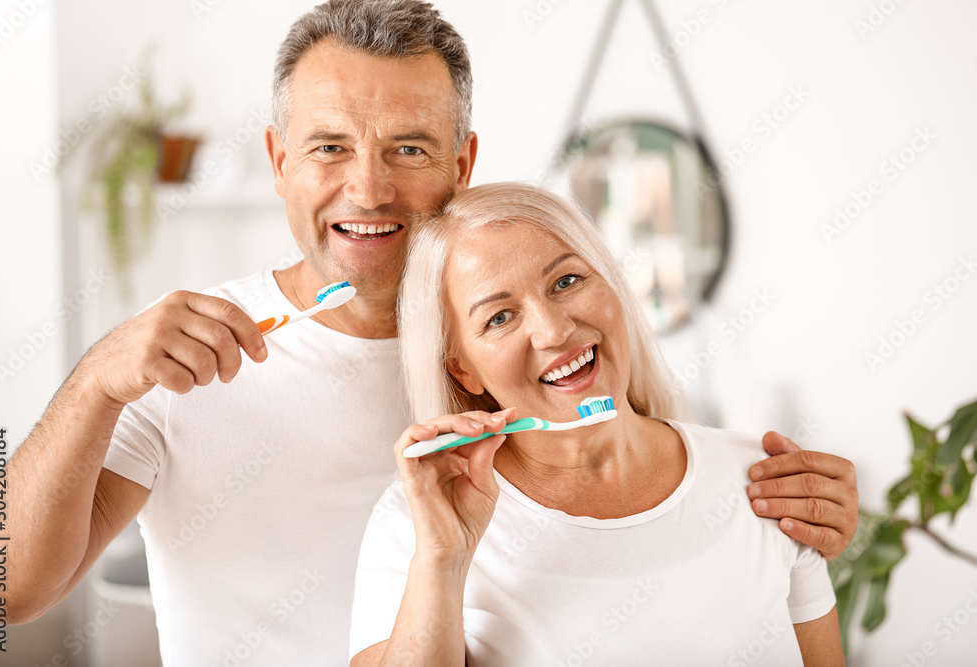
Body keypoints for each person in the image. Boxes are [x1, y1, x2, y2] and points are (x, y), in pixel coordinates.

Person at [0, 1, 857, 663]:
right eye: (329, 148)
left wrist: (799, 515)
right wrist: (94, 380)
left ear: (462, 162)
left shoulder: (528, 361)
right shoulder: (189, 357)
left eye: (408, 148)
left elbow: (674, 519)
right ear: (280, 160)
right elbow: (0, 590)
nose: (367, 189)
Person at [349, 182, 844, 666]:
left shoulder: (763, 479)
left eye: (567, 282)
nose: (554, 330)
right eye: (500, 317)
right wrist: (442, 559)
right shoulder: (416, 524)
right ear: (462, 367)